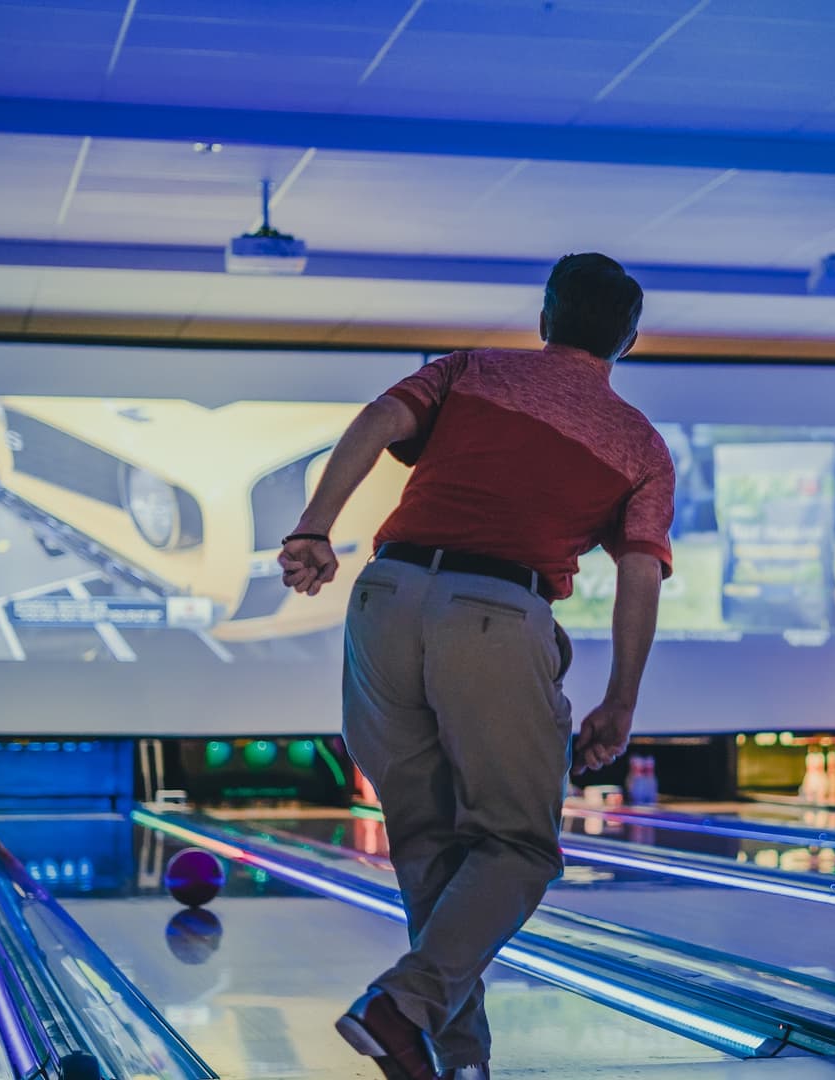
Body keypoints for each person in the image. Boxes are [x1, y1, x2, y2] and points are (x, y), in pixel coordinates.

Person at [279, 253, 672, 1080]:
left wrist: (314, 528)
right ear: (628, 340)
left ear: (545, 317)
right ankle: (402, 1007)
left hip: (384, 600)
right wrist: (622, 700)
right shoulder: (640, 444)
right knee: (518, 846)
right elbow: (639, 573)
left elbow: (377, 423)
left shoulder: (466, 371)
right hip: (497, 614)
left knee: (430, 845)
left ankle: (456, 1061)